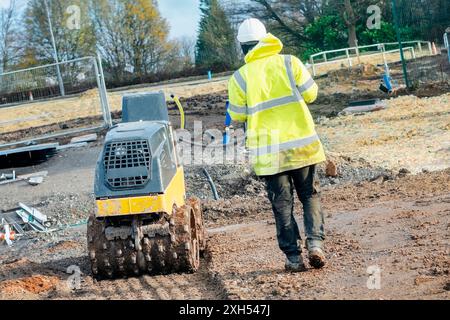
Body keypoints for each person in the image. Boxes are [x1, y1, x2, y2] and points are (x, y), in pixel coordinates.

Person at [227, 18, 326, 272]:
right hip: (302, 147)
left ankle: (294, 258)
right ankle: (315, 244)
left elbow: (237, 115)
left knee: (282, 205)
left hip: (269, 154)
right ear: (265, 39)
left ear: (243, 47)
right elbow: (312, 94)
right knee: (309, 196)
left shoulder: (240, 78)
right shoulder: (290, 62)